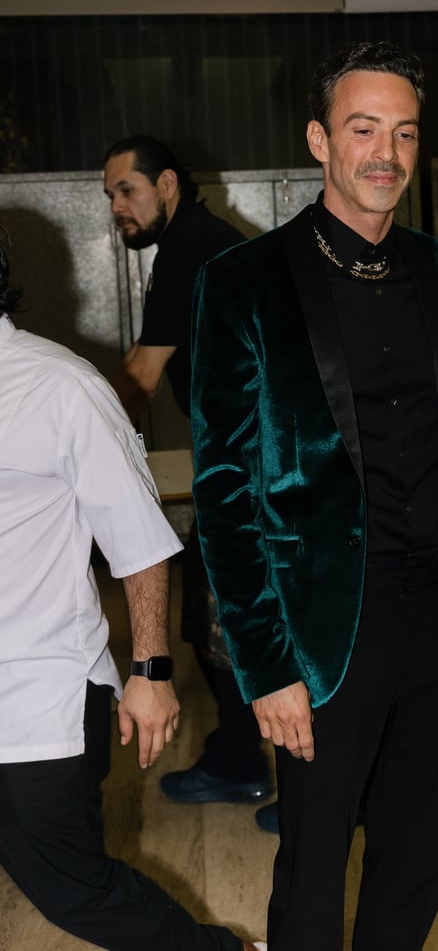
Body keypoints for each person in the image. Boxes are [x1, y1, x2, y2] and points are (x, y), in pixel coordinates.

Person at [190, 40, 438, 950]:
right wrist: (266, 664)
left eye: (404, 133)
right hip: (326, 625)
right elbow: (223, 490)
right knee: (315, 857)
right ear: (319, 142)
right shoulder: (243, 284)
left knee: (420, 850)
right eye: (363, 128)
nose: (386, 152)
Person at [0, 228, 265, 951]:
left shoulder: (60, 387)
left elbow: (139, 538)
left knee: (70, 885)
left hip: (37, 692)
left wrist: (150, 670)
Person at [103, 135, 274, 815]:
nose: (117, 207)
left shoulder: (186, 252)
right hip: (250, 458)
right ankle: (239, 755)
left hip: (260, 466)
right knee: (217, 610)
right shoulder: (204, 242)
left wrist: (68, 434)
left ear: (167, 184)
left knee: (229, 614)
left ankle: (301, 774)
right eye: (110, 196)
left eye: (126, 190)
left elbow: (141, 378)